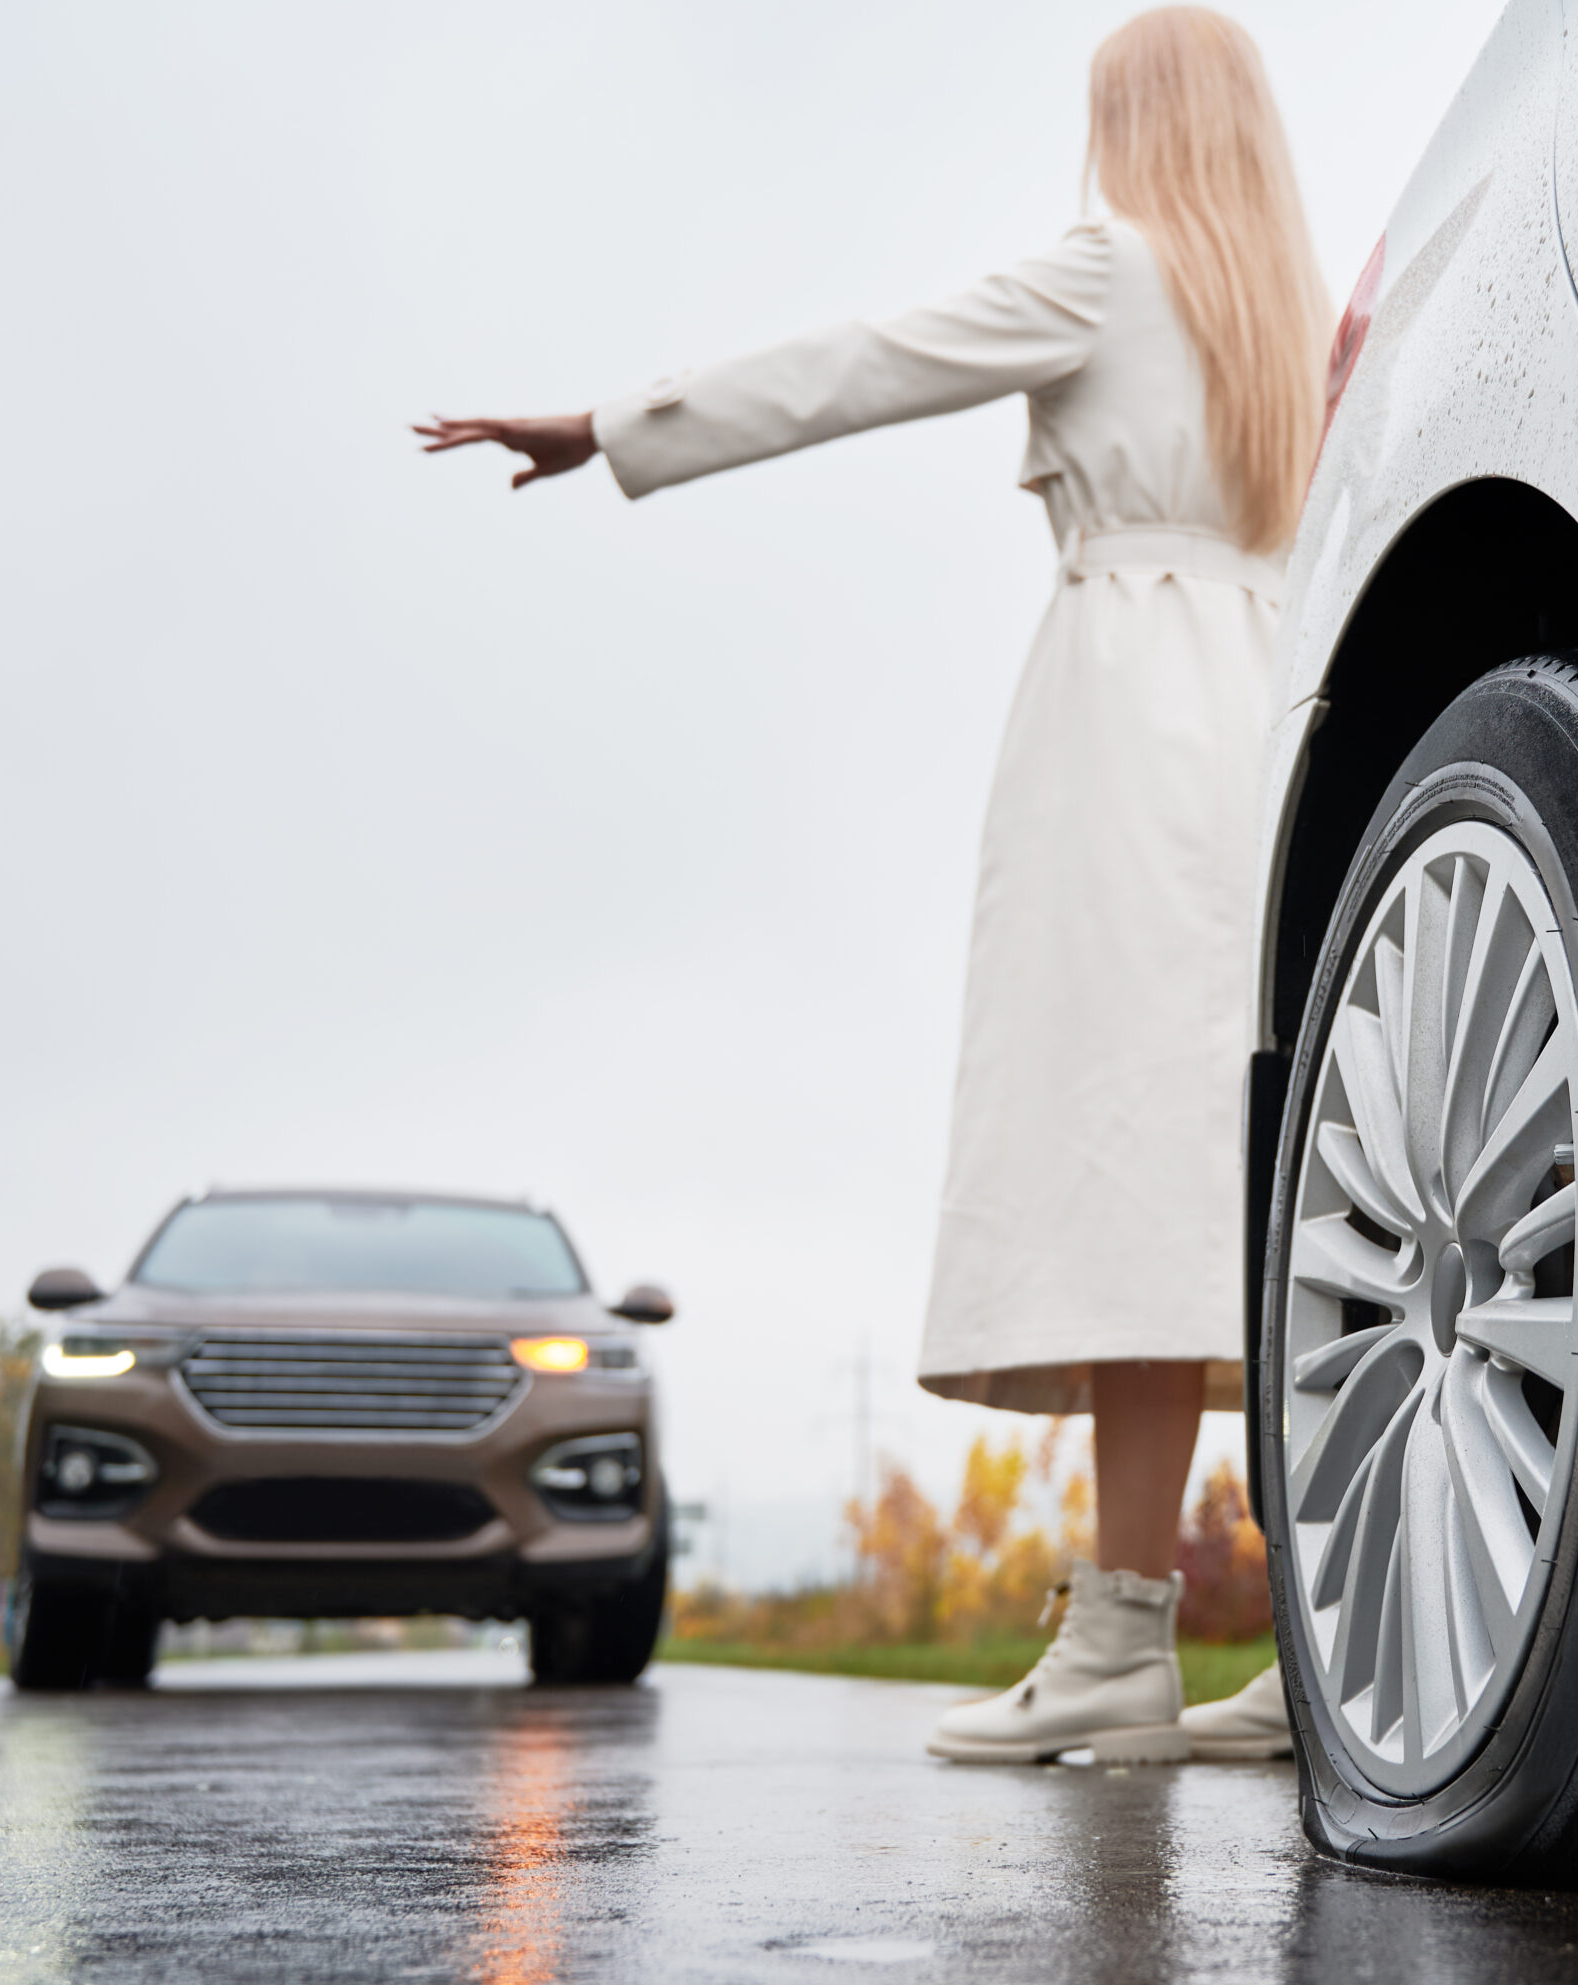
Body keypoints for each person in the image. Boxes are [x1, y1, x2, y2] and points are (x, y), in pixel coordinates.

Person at [417, 6, 1318, 1764]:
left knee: (1132, 1177)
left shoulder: (1110, 268)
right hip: (1280, 717)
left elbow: (865, 357)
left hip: (1131, 724)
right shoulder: (1290, 323)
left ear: (1132, 123)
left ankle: (1124, 1640)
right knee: (1260, 1192)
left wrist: (611, 426)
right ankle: (1313, 1646)